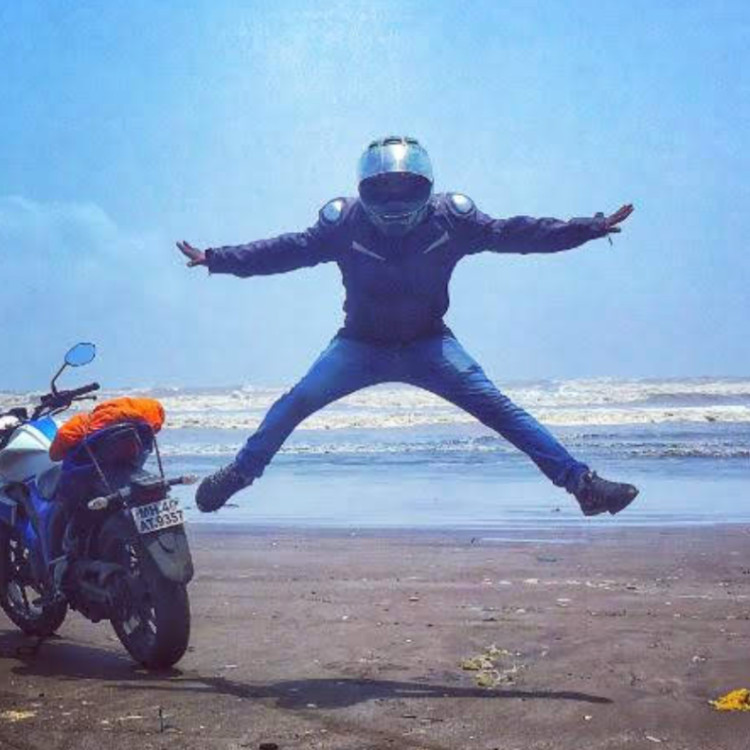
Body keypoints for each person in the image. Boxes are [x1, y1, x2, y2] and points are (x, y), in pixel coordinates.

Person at [177, 135, 638, 517]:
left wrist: (585, 228)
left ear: (425, 187)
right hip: (360, 346)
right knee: (295, 402)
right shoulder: (344, 224)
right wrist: (217, 259)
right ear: (365, 191)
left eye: (404, 189)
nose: (395, 201)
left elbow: (518, 233)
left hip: (428, 344)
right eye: (384, 190)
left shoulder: (453, 219)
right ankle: (240, 473)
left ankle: (582, 485)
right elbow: (284, 251)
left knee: (500, 409)